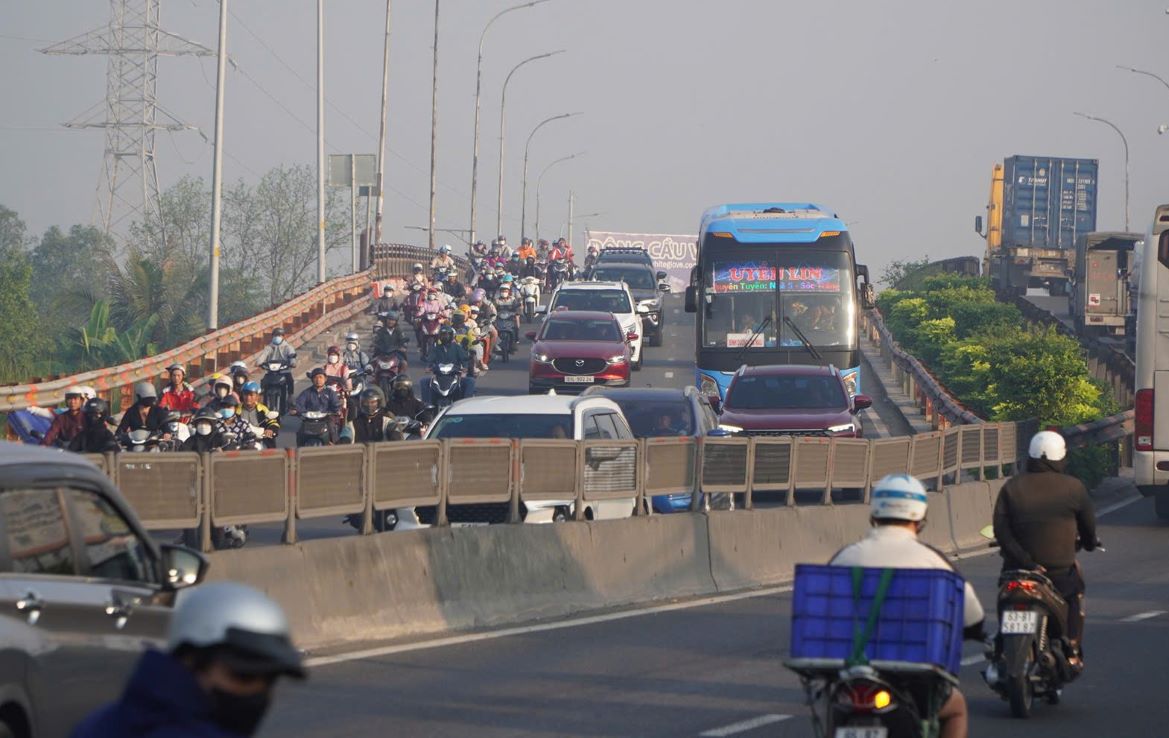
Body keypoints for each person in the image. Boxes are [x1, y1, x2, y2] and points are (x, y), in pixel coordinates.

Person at [829, 473, 985, 738]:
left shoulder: (846, 556)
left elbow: (823, 610)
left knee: (832, 706)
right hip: (912, 675)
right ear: (920, 517)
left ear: (874, 512)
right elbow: (973, 616)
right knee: (956, 708)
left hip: (854, 674)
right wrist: (974, 632)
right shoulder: (933, 560)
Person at [72, 581, 305, 738]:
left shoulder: (100, 723)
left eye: (270, 680)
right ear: (191, 660)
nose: (257, 692)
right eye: (243, 676)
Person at [994, 431, 1097, 669]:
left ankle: (1000, 643)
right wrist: (1090, 543)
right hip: (1057, 573)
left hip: (1017, 569)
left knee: (1005, 597)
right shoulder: (1074, 488)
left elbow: (1001, 530)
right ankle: (1071, 647)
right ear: (1061, 457)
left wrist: (1026, 561)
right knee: (1074, 594)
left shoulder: (1012, 487)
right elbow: (1088, 526)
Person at [423, 325, 475, 403]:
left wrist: (465, 367)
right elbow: (430, 360)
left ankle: (466, 403)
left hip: (454, 375)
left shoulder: (457, 347)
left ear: (451, 336)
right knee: (423, 381)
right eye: (443, 335)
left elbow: (464, 359)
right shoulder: (436, 348)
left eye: (446, 335)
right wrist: (427, 367)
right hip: (439, 375)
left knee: (470, 381)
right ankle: (426, 404)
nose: (445, 337)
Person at [294, 368, 343, 443]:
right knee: (300, 433)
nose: (318, 380)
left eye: (320, 377)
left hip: (326, 419)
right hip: (308, 420)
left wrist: (336, 410)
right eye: (315, 377)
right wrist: (296, 410)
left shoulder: (330, 392)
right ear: (312, 380)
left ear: (325, 379)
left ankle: (335, 448)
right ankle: (300, 450)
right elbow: (299, 403)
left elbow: (335, 404)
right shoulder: (306, 392)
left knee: (333, 432)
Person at [255, 327, 297, 407]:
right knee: (263, 381)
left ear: (283, 336)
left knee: (290, 380)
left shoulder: (288, 347)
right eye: (275, 335)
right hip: (271, 372)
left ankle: (290, 397)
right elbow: (263, 355)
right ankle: (261, 399)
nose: (277, 337)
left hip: (284, 371)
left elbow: (292, 355)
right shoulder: (269, 347)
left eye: (279, 335)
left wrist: (292, 362)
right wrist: (258, 362)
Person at [238, 381, 279, 448]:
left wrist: (270, 430)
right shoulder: (236, 410)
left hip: (260, 440)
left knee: (270, 448)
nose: (248, 398)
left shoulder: (263, 409)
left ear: (257, 396)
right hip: (240, 441)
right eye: (245, 394)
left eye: (251, 395)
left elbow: (273, 422)